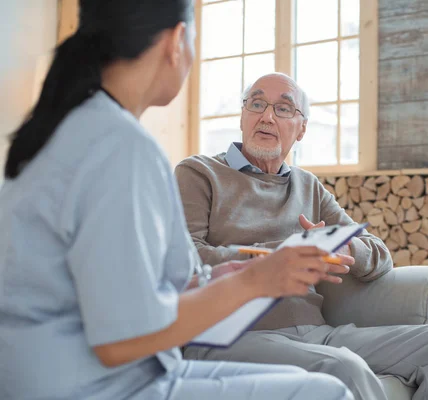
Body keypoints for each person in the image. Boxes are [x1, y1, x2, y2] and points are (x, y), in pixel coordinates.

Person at [0, 2, 355, 400]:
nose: (267, 117)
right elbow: (122, 337)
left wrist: (216, 278)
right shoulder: (121, 147)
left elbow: (113, 283)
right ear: (177, 41)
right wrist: (257, 280)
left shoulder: (75, 130)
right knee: (328, 393)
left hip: (69, 374)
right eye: (256, 104)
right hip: (92, 385)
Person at [176, 72, 428, 400]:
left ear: (302, 128)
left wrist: (343, 245)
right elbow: (185, 260)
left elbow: (379, 256)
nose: (266, 116)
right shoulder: (199, 173)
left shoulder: (308, 186)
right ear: (242, 115)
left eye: (283, 108)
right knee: (344, 367)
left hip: (315, 333)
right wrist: (280, 253)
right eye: (257, 103)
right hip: (231, 335)